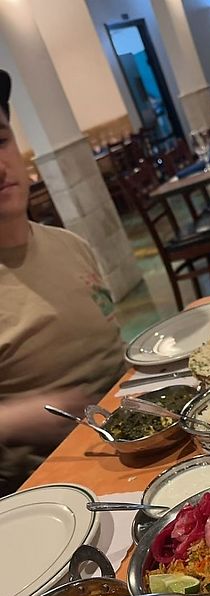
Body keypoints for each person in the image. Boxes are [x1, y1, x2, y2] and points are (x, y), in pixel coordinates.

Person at [0, 69, 125, 494]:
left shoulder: (71, 245)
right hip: (57, 488)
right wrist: (14, 418)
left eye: (0, 141)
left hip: (138, 439)